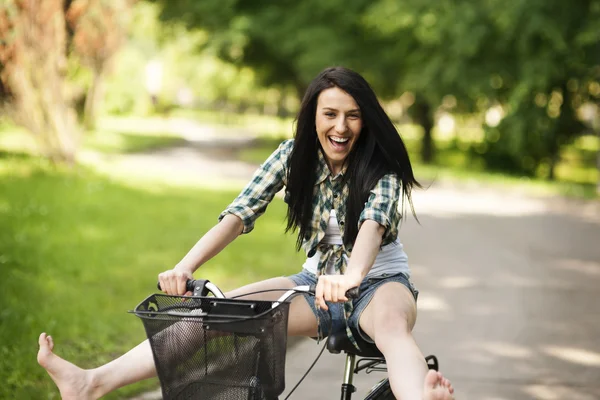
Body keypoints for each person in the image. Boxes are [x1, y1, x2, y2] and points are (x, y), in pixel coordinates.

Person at [37, 66, 455, 400]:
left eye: (352, 115)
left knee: (390, 326)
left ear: (365, 120)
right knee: (212, 314)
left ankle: (423, 396)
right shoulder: (293, 156)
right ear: (313, 116)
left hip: (377, 283)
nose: (340, 126)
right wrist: (184, 266)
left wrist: (351, 277)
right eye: (330, 114)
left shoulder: (381, 169)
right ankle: (90, 383)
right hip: (315, 285)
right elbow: (238, 215)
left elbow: (372, 227)